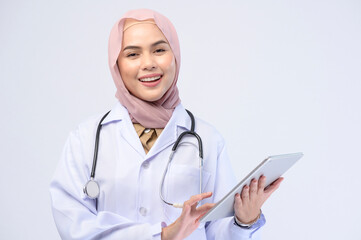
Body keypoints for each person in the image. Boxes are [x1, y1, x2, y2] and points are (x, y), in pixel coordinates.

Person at [50, 9, 283, 240]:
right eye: (133, 54)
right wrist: (161, 235)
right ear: (116, 65)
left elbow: (217, 233)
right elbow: (73, 226)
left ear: (175, 56)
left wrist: (244, 221)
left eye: (159, 50)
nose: (149, 63)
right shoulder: (86, 138)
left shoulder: (208, 139)